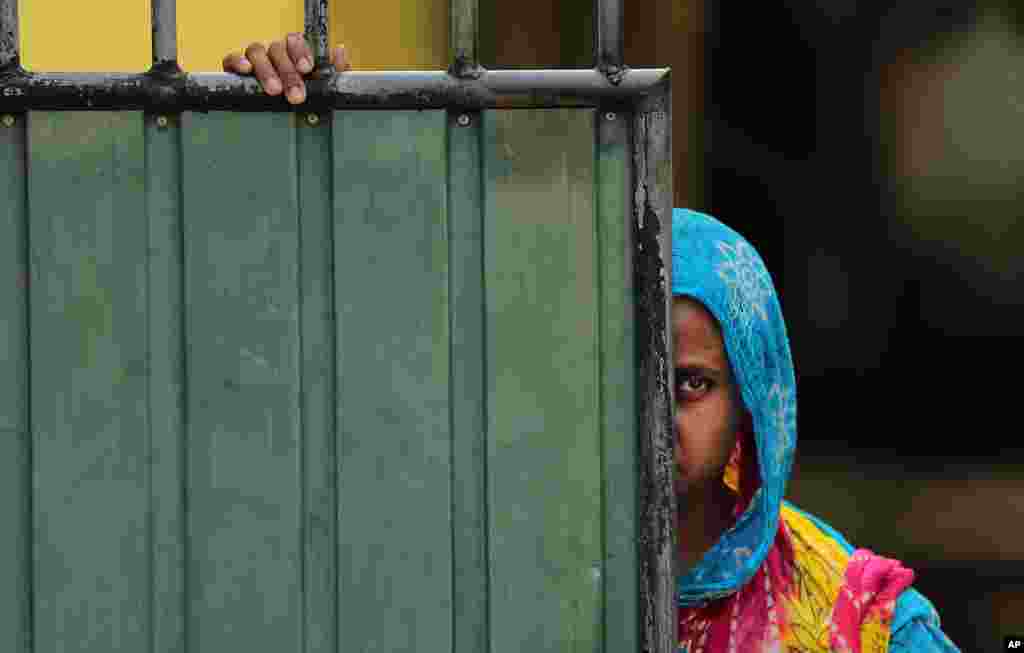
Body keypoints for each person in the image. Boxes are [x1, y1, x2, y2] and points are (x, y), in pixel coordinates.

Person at [224, 35, 961, 653]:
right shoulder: (490, 562)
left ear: (753, 407)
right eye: (622, 371)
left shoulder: (859, 617)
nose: (652, 411)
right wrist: (288, 137)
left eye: (692, 382)